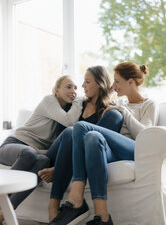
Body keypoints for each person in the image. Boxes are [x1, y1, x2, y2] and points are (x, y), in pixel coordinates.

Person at [49, 62, 159, 225]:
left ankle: (76, 199)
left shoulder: (148, 104)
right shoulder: (119, 103)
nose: (114, 86)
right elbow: (106, 131)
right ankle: (103, 217)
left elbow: (143, 135)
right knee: (92, 137)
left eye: (117, 81)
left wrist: (124, 112)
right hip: (112, 152)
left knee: (81, 126)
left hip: (133, 149)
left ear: (130, 82)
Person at [38, 65, 123, 223]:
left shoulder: (107, 112)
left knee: (82, 132)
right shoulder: (77, 105)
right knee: (70, 132)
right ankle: (53, 208)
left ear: (99, 83)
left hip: (80, 156)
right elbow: (59, 135)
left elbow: (95, 148)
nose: (82, 86)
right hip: (59, 152)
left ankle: (62, 206)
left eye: (87, 82)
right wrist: (42, 152)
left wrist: (57, 169)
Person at [0, 75, 83, 223]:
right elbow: (70, 122)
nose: (73, 91)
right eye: (68, 87)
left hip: (31, 151)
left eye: (76, 89)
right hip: (13, 143)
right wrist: (79, 100)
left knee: (44, 160)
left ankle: (7, 210)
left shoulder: (66, 112)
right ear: (57, 90)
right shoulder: (49, 100)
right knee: (29, 153)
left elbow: (53, 146)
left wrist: (39, 151)